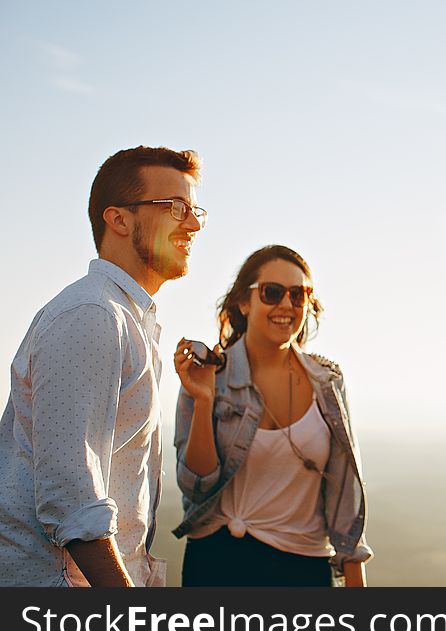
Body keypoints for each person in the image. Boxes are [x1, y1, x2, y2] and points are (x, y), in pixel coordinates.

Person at [0, 146, 204, 586]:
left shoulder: (127, 319)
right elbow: (73, 500)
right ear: (119, 219)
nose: (193, 223)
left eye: (194, 209)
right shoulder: (92, 314)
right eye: (175, 207)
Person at [172, 245, 371, 586]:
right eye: (272, 292)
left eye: (299, 295)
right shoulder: (208, 375)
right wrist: (203, 401)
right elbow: (196, 486)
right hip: (216, 565)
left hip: (303, 570)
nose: (286, 305)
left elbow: (345, 499)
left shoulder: (328, 383)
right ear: (244, 302)